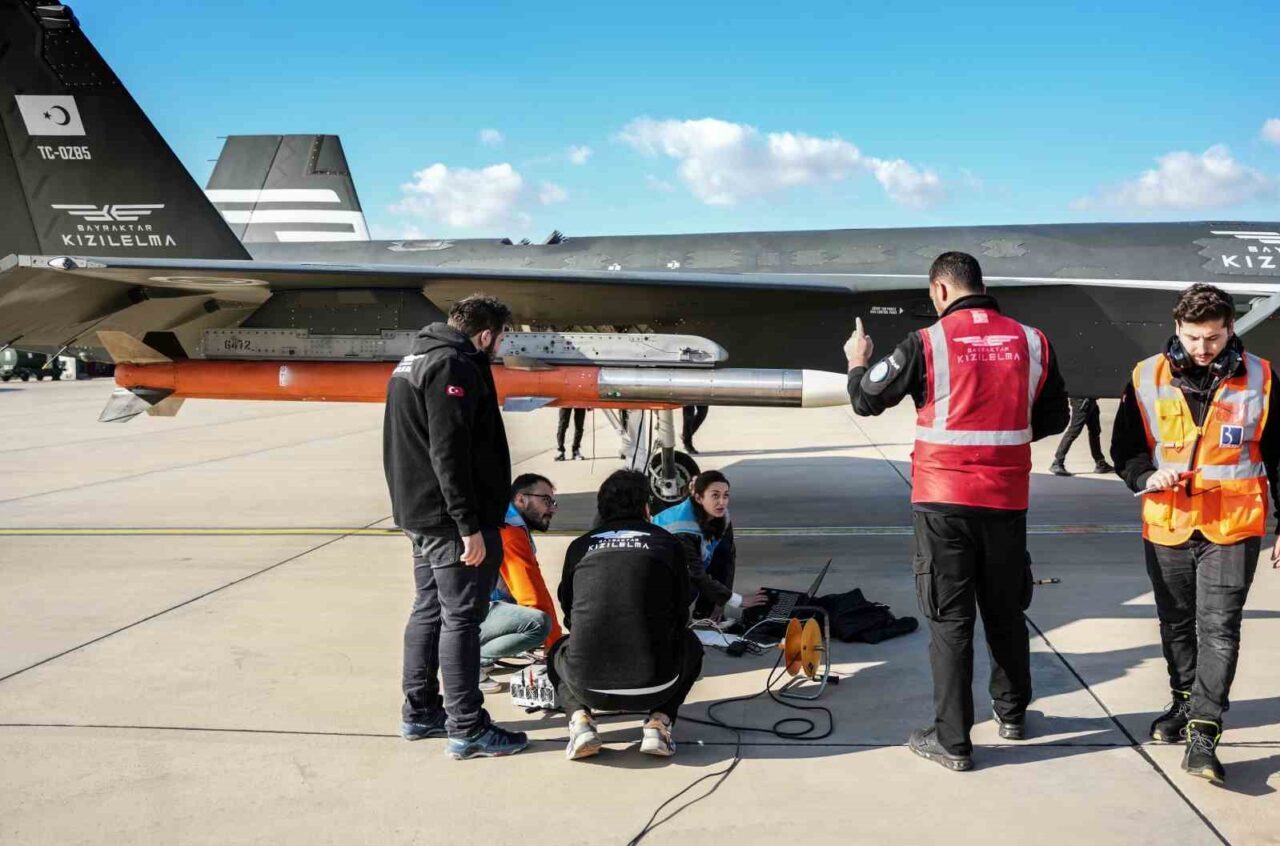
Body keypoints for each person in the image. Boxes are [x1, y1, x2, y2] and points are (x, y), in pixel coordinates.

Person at [846, 251, 1068, 772]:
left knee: (951, 622)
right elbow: (1055, 416)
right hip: (1007, 499)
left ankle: (954, 741)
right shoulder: (1033, 341)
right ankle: (1012, 714)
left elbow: (865, 399)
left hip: (943, 501)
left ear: (940, 291)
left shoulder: (926, 342)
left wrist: (857, 360)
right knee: (1006, 611)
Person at [1110, 283, 1280, 784]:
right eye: (1192, 338)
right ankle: (1184, 701)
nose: (1202, 349)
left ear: (1230, 329)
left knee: (1220, 628)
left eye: (1213, 338)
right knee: (1176, 624)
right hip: (1168, 523)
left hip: (1233, 525)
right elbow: (1126, 450)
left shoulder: (1263, 378)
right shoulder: (1146, 376)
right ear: (1177, 328)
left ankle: (1204, 731)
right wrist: (1146, 476)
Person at [383, 293, 529, 760]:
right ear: (486, 335)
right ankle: (467, 727)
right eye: (500, 339)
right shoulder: (453, 366)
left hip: (421, 512)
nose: (500, 347)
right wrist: (468, 525)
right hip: (450, 521)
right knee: (462, 619)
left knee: (429, 609)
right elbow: (448, 451)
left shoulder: (415, 359)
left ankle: (421, 712)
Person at [548, 469, 705, 761]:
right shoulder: (667, 543)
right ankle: (659, 723)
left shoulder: (580, 546)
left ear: (601, 509)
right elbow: (682, 611)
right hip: (657, 684)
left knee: (557, 649)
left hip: (587, 686)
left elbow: (569, 614)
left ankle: (580, 721)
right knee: (691, 644)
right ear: (646, 508)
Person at [478, 473, 564, 692]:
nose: (552, 509)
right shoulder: (509, 531)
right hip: (469, 616)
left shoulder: (508, 520)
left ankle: (474, 651)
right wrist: (554, 646)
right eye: (546, 501)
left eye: (553, 502)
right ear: (520, 499)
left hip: (471, 611)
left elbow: (535, 585)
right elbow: (531, 594)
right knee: (538, 625)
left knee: (542, 627)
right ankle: (470, 660)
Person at [652, 470, 767, 619]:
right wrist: (738, 600)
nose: (722, 502)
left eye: (726, 495)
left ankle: (705, 616)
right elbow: (695, 574)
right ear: (699, 498)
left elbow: (726, 559)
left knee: (718, 557)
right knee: (688, 585)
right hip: (658, 581)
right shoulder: (682, 528)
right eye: (715, 496)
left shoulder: (721, 516)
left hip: (688, 571)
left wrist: (720, 603)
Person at [1049, 397, 1113, 476]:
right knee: (1074, 431)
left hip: (1091, 400)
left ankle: (1100, 463)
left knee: (1095, 431)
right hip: (1082, 401)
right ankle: (1057, 462)